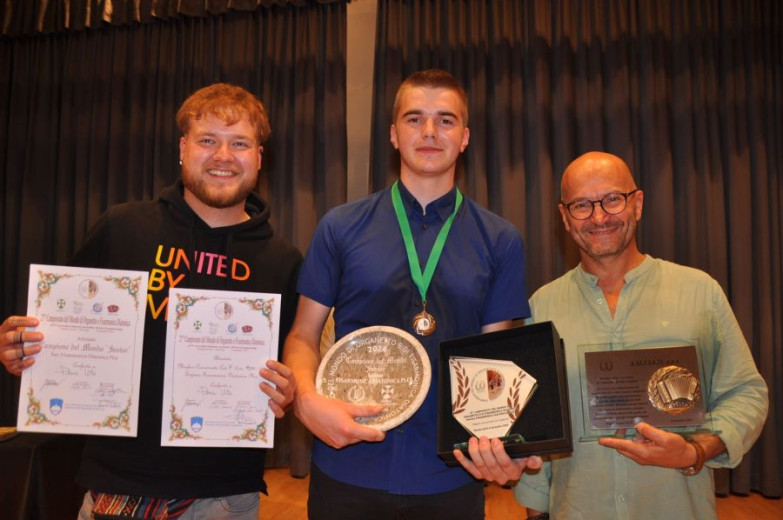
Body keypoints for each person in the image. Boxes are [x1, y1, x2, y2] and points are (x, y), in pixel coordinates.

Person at [0, 83, 303, 519]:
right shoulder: (121, 227)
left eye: (239, 143)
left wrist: (287, 390)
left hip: (222, 496)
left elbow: (290, 367)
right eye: (207, 140)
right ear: (183, 148)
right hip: (114, 486)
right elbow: (63, 331)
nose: (223, 156)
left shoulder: (283, 260)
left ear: (259, 156)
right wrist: (25, 348)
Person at [283, 69, 541, 520]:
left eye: (445, 120)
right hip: (348, 465)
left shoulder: (500, 239)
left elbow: (493, 362)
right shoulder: (340, 227)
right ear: (393, 134)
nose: (428, 132)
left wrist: (506, 445)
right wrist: (306, 400)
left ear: (464, 137)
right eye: (414, 118)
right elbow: (303, 336)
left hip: (449, 475)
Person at [514, 151, 768, 520]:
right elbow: (540, 435)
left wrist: (695, 450)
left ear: (638, 204)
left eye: (613, 199)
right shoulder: (542, 307)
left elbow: (746, 394)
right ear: (565, 218)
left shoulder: (700, 292)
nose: (599, 216)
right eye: (582, 205)